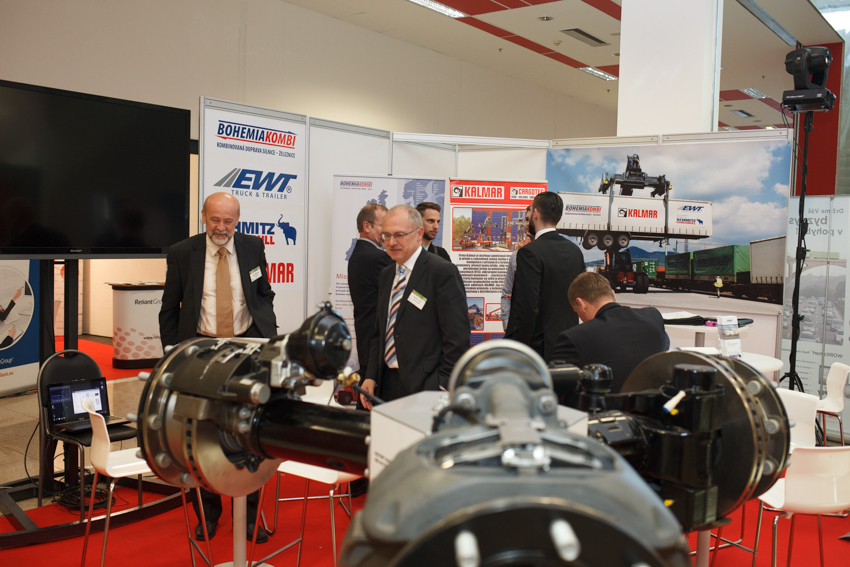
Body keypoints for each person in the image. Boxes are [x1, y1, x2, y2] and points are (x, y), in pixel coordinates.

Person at [159, 192, 276, 544]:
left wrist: (265, 328)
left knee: (250, 432)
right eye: (215, 220)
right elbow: (169, 307)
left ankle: (250, 517)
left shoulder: (253, 246)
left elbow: (263, 292)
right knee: (200, 434)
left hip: (246, 349)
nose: (221, 228)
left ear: (237, 220)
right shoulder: (183, 252)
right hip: (202, 351)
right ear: (203, 216)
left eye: (228, 221)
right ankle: (208, 514)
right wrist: (172, 354)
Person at [360, 205, 469, 408]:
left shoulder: (442, 272)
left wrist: (441, 385)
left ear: (419, 234)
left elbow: (457, 338)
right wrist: (371, 375)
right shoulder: (386, 275)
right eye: (386, 235)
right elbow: (380, 332)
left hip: (426, 388)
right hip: (386, 386)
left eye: (399, 235)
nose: (391, 242)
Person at [550, 272, 670, 393]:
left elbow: (552, 387)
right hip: (658, 402)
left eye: (576, 311)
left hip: (607, 404)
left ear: (580, 303)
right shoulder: (653, 317)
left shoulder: (573, 338)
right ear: (613, 294)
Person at [504, 192, 584, 362]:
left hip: (539, 350)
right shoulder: (575, 251)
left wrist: (517, 350)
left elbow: (526, 309)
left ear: (536, 213)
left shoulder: (529, 253)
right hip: (569, 345)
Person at [347, 204, 393, 400]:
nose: (387, 233)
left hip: (366, 340)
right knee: (373, 402)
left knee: (367, 398)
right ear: (367, 226)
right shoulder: (376, 257)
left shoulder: (359, 253)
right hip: (376, 345)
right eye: (383, 226)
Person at [500, 206, 533, 331]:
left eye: (530, 220)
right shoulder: (516, 256)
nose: (527, 224)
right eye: (526, 220)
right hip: (519, 330)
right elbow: (506, 293)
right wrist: (507, 325)